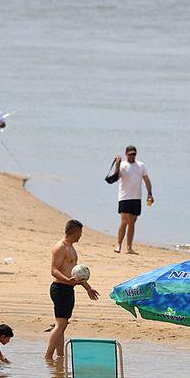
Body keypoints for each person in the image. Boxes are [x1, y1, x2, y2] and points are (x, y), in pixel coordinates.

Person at [45, 219, 100, 360]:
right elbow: (54, 270)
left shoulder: (71, 248)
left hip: (68, 289)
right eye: (80, 232)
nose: (81, 235)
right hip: (60, 288)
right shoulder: (60, 247)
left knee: (62, 324)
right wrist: (67, 280)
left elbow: (77, 274)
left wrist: (88, 288)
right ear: (74, 232)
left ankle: (60, 357)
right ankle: (48, 356)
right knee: (61, 324)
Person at [111, 146, 152, 254]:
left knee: (132, 222)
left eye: (134, 154)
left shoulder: (141, 165)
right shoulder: (123, 165)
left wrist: (149, 193)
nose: (132, 156)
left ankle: (129, 247)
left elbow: (146, 180)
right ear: (126, 154)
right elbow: (116, 177)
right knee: (124, 221)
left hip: (136, 197)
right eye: (130, 154)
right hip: (124, 197)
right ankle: (119, 245)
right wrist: (117, 164)